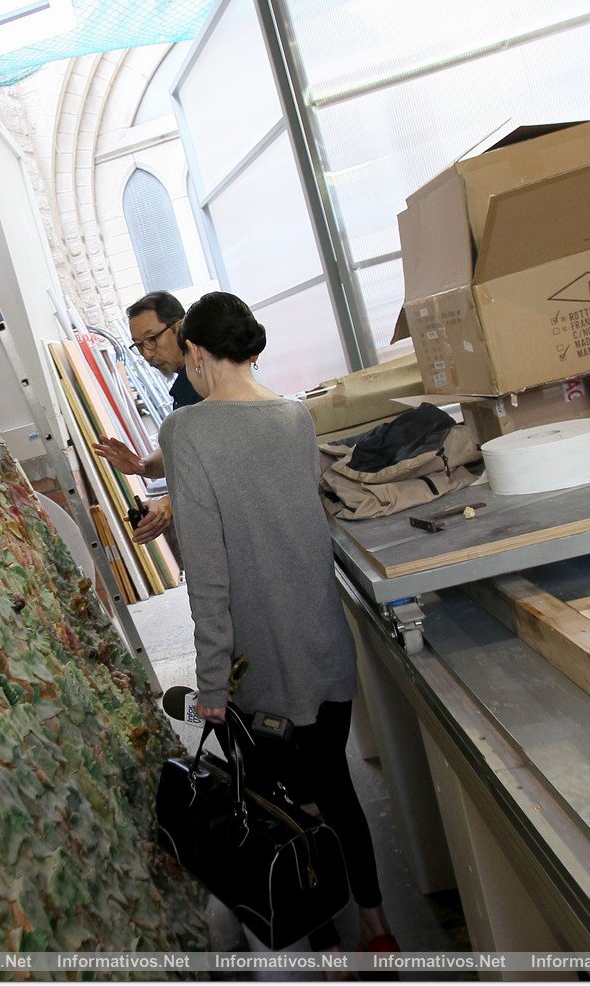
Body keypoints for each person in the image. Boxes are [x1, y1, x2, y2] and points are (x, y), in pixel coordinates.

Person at [158, 291, 398, 960]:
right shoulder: (295, 416)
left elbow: (208, 572)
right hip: (323, 645)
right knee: (337, 790)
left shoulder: (186, 431)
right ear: (251, 349)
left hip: (255, 665)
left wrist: (210, 681)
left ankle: (327, 952)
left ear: (197, 355)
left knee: (279, 814)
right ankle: (378, 928)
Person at [91, 291, 203, 546]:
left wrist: (169, 503)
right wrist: (142, 465)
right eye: (139, 345)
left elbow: (218, 465)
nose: (147, 354)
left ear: (179, 327)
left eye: (151, 339)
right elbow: (185, 453)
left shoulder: (207, 381)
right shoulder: (185, 385)